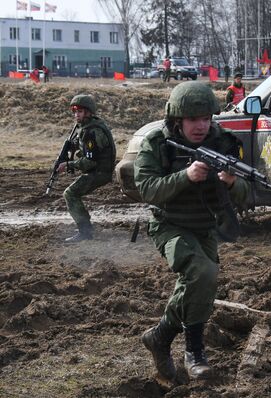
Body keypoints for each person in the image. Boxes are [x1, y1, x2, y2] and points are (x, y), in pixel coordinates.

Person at [135, 82, 250, 382]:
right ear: (177, 120)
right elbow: (147, 189)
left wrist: (232, 183)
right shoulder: (156, 143)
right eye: (192, 119)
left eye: (206, 119)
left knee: (200, 287)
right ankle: (194, 353)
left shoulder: (224, 143)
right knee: (203, 273)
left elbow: (249, 193)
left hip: (205, 226)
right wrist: (185, 176)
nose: (201, 126)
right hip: (169, 224)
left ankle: (159, 337)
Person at [56, 95, 116, 242]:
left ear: (89, 112)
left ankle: (85, 232)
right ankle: (85, 229)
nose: (76, 115)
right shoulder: (87, 127)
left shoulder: (91, 132)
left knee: (70, 194)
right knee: (72, 193)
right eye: (75, 111)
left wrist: (69, 165)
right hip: (99, 169)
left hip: (100, 171)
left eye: (80, 111)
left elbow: (90, 161)